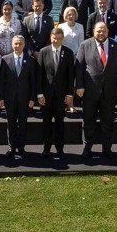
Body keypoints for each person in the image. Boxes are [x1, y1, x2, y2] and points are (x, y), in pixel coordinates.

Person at [75, 22, 117, 159]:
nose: (101, 33)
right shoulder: (84, 45)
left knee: (108, 121)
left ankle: (107, 148)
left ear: (108, 31)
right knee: (88, 121)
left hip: (109, 91)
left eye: (103, 30)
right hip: (89, 92)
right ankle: (87, 147)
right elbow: (79, 68)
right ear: (93, 31)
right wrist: (79, 86)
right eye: (98, 31)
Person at [36, 27, 75, 159]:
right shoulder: (43, 52)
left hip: (61, 96)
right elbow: (39, 75)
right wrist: (39, 94)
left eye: (58, 38)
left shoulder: (69, 53)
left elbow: (71, 75)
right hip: (46, 96)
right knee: (46, 123)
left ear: (62, 38)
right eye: (54, 37)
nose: (56, 40)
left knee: (60, 123)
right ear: (50, 37)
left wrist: (70, 94)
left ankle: (59, 148)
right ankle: (46, 148)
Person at [0, 35, 37, 158]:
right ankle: (11, 147)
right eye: (15, 43)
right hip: (9, 98)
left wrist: (32, 98)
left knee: (23, 123)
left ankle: (21, 147)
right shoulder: (5, 60)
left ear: (24, 45)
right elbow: (1, 81)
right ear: (12, 44)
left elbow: (33, 81)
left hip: (25, 98)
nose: (18, 46)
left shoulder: (31, 60)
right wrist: (1, 98)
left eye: (20, 44)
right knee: (10, 124)